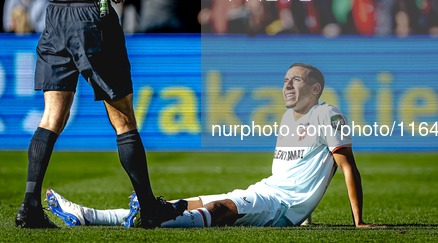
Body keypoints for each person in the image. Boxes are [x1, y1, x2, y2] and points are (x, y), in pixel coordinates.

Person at [15, 0, 185, 229]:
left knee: (51, 118)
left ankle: (29, 206)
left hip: (55, 19)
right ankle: (149, 208)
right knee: (123, 116)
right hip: (90, 20)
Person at [45, 64, 385, 229]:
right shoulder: (288, 119)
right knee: (186, 203)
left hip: (278, 203)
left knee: (221, 208)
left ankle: (146, 222)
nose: (287, 85)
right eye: (285, 80)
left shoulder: (329, 114)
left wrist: (358, 223)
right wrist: (305, 215)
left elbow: (346, 167)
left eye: (296, 79)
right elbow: (300, 172)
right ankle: (90, 216)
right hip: (269, 192)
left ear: (316, 88)